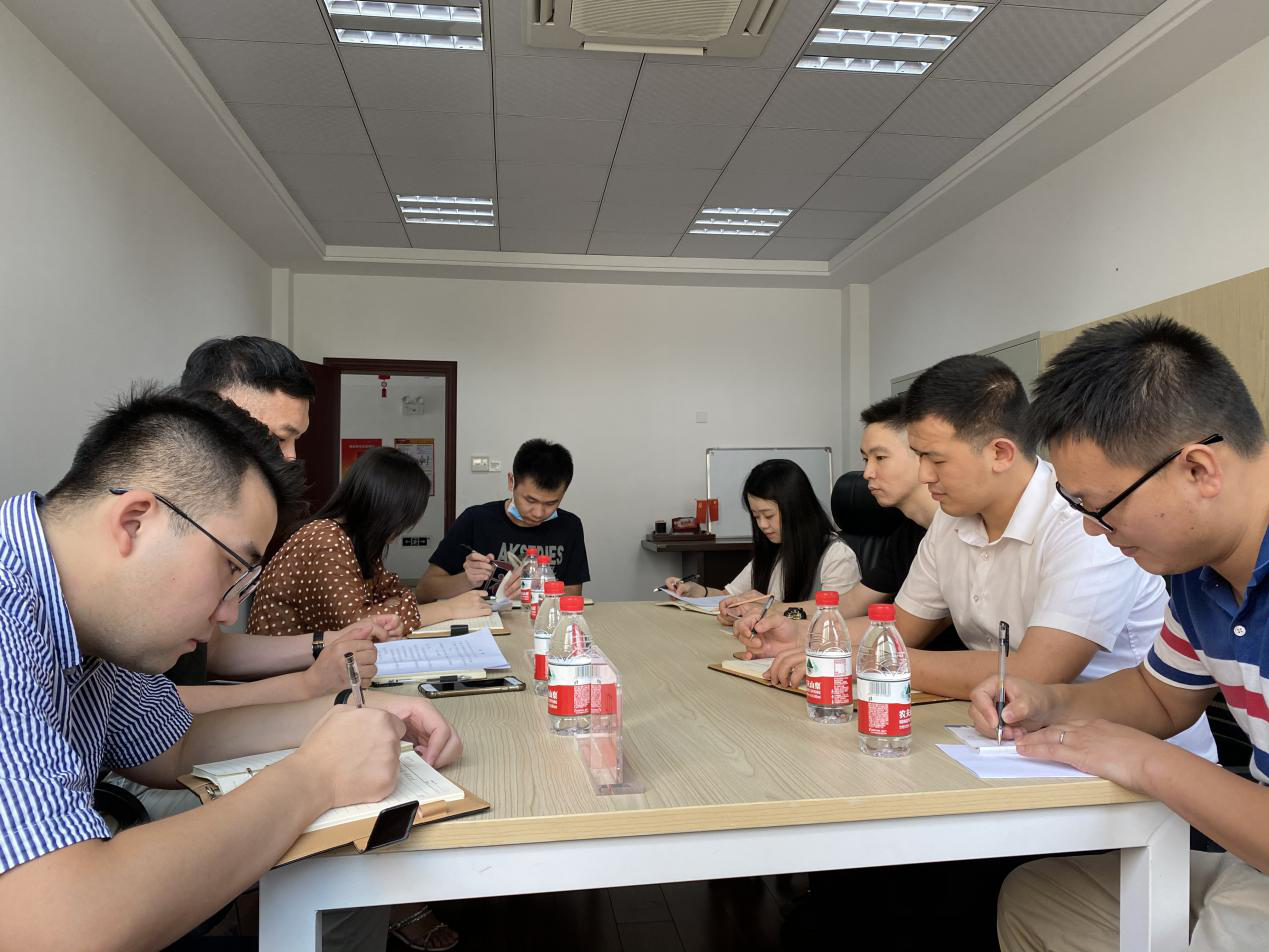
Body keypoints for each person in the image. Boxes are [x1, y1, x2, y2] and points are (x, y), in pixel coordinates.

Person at [0, 386, 462, 951]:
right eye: (229, 568)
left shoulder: (94, 624)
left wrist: (352, 706)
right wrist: (316, 777)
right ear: (134, 522)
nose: (226, 613)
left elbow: (172, 746)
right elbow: (57, 924)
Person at [962, 317, 1269, 951]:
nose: (1093, 530)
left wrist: (1149, 761)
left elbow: (1153, 743)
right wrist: (1049, 702)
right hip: (1252, 860)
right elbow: (1160, 696)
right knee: (1043, 901)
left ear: (1199, 469)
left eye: (1101, 507)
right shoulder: (1198, 570)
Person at [740, 355, 1214, 760]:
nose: (924, 475)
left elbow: (1032, 674)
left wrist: (865, 659)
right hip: (1009, 742)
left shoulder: (1082, 520)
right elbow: (899, 627)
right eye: (918, 457)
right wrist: (811, 637)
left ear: (1000, 453)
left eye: (936, 459)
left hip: (1131, 761)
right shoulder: (951, 521)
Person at [172, 336, 403, 707]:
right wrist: (307, 685)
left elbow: (210, 652)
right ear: (213, 419)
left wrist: (330, 641)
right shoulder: (164, 526)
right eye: (280, 438)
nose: (291, 458)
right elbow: (139, 711)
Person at [249, 447, 490, 638]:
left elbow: (394, 592)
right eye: (405, 519)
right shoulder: (326, 539)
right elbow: (357, 625)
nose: (403, 529)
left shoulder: (356, 541)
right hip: (287, 674)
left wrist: (387, 606)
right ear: (385, 510)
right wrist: (448, 609)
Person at [664, 458, 862, 624]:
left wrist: (767, 609)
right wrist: (697, 592)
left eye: (768, 515)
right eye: (756, 516)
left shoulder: (837, 556)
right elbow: (731, 596)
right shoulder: (775, 548)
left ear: (796, 509)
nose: (762, 525)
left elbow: (834, 620)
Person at [419, 438, 590, 600]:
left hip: (541, 619)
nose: (539, 513)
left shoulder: (569, 526)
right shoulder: (475, 520)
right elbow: (424, 591)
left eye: (551, 503)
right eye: (530, 500)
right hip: (486, 618)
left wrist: (539, 588)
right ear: (511, 481)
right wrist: (467, 580)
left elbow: (574, 593)